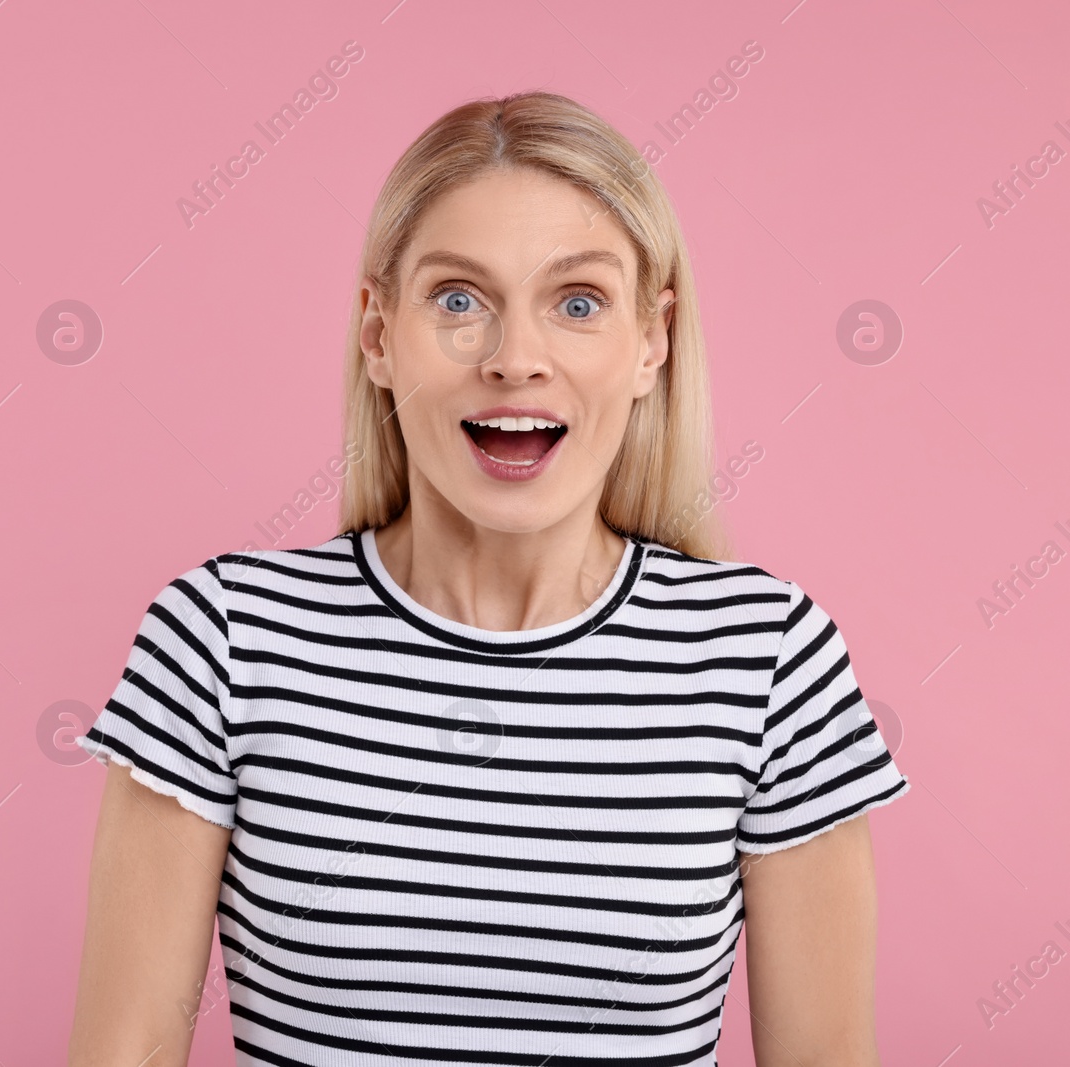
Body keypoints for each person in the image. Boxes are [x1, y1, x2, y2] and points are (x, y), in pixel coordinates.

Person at [67, 90, 910, 1067]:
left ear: (651, 342)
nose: (515, 359)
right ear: (379, 337)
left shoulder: (767, 661)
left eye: (578, 302)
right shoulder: (222, 641)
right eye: (458, 299)